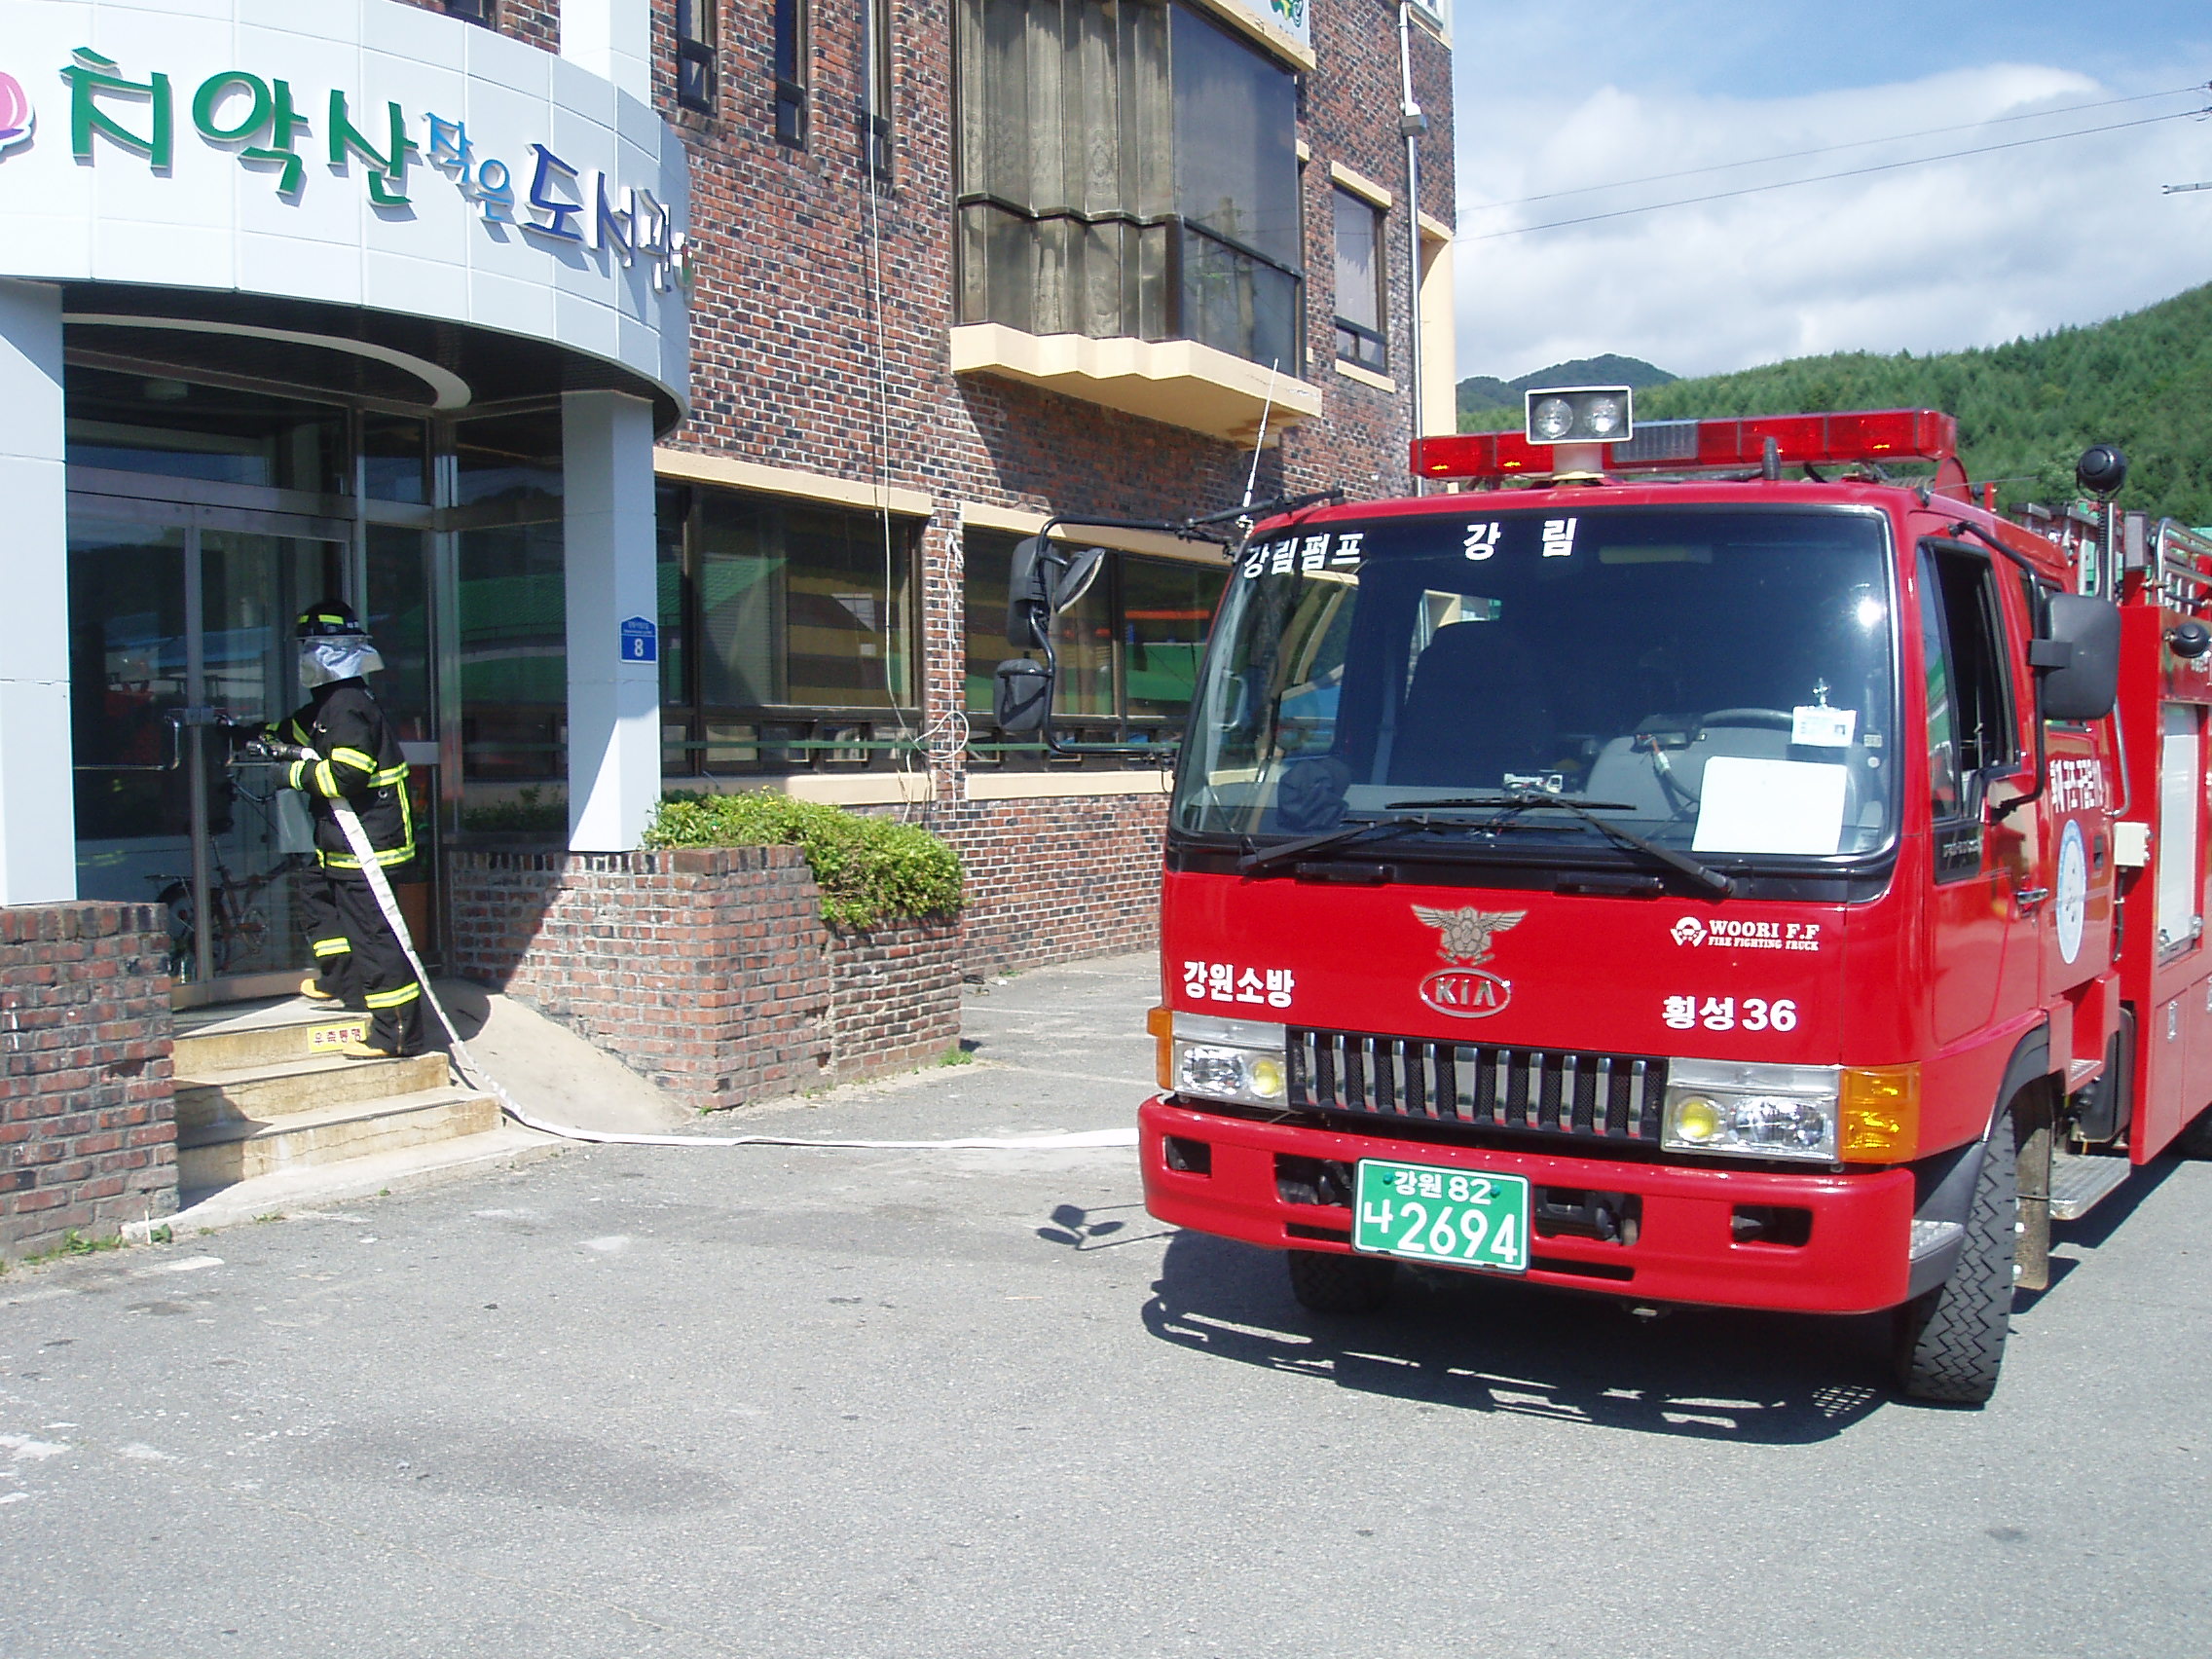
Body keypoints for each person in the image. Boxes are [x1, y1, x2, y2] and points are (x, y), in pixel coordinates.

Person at [262, 602, 424, 1060]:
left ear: (329, 652)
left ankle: (396, 1035)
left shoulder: (347, 705)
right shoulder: (331, 702)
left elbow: (346, 776)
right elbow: (296, 731)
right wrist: (252, 737)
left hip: (369, 846)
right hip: (345, 843)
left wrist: (290, 774)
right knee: (315, 890)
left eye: (309, 647)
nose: (304, 656)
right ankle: (341, 980)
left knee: (376, 937)